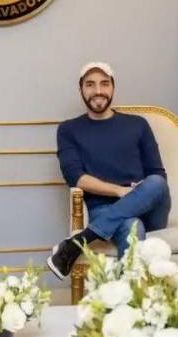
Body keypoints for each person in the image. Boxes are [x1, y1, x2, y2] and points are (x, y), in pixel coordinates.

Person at [48, 62, 171, 279]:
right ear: (81, 90)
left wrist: (135, 194)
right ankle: (127, 299)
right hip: (102, 208)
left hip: (149, 209)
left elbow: (158, 175)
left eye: (104, 84)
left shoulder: (137, 124)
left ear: (113, 88)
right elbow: (76, 178)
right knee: (132, 225)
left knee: (157, 183)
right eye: (90, 84)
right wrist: (120, 191)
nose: (98, 91)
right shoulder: (68, 130)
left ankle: (79, 242)